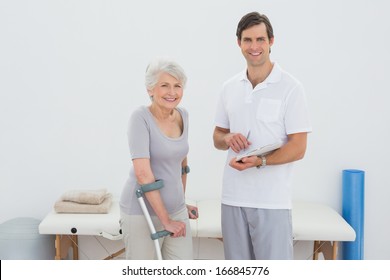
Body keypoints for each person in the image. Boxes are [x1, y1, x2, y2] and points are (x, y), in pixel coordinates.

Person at [213, 12, 312, 260]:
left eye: (260, 40)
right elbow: (217, 136)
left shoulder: (291, 88)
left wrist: (261, 161)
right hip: (232, 199)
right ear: (239, 43)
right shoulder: (229, 87)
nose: (254, 47)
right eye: (247, 40)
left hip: (272, 201)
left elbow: (299, 147)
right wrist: (227, 139)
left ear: (271, 41)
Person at [119, 58, 198, 260]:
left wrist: (180, 202)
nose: (172, 92)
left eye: (177, 86)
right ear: (150, 89)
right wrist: (166, 220)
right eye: (165, 85)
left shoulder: (183, 116)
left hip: (176, 211)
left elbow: (182, 165)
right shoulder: (140, 118)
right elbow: (143, 174)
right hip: (142, 212)